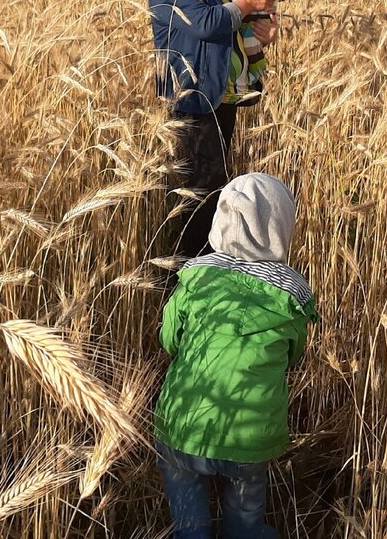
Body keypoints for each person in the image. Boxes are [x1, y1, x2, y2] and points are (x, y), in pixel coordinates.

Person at [154, 173, 318, 539]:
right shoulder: (291, 297)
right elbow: (293, 358)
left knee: (187, 505)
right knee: (246, 506)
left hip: (183, 426)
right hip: (251, 437)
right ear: (282, 227)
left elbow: (170, 340)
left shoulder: (194, 280)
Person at [148, 0, 277, 258]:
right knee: (198, 191)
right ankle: (187, 268)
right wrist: (247, 5)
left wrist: (264, 31)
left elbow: (238, 21)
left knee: (215, 184)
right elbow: (206, 23)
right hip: (192, 100)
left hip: (221, 97)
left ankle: (206, 263)